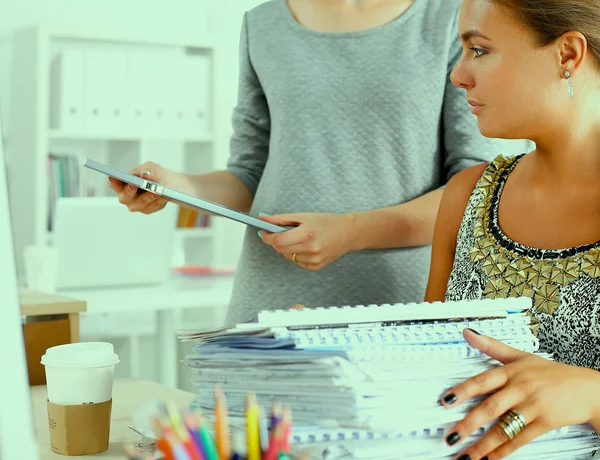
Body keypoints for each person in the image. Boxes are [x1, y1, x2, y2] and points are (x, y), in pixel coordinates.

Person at [110, 0, 525, 325]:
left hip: (394, 303)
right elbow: (248, 174)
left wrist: (349, 232)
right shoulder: (263, 25)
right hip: (268, 299)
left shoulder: (453, 21)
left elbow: (472, 189)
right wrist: (177, 185)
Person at [423, 0, 600, 458]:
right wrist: (334, 349)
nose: (459, 75)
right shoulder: (467, 197)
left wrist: (591, 395)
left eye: (479, 50)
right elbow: (425, 379)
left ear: (567, 55)